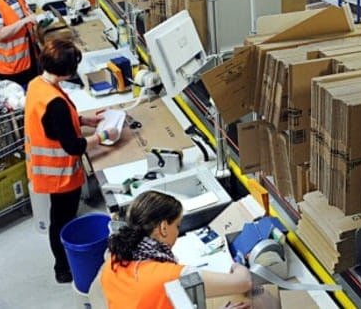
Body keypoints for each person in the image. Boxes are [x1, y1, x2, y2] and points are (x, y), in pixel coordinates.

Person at [25, 38, 119, 284]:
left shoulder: (38, 84)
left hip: (46, 170)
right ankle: (63, 268)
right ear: (67, 71)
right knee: (62, 221)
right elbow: (74, 146)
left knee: (60, 218)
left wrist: (83, 121)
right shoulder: (54, 101)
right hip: (60, 175)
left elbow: (55, 124)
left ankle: (62, 264)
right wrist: (102, 136)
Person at [100, 191, 252, 308]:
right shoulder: (173, 277)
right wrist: (237, 265)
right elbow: (243, 282)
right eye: (177, 226)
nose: (178, 233)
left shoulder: (112, 260)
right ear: (163, 227)